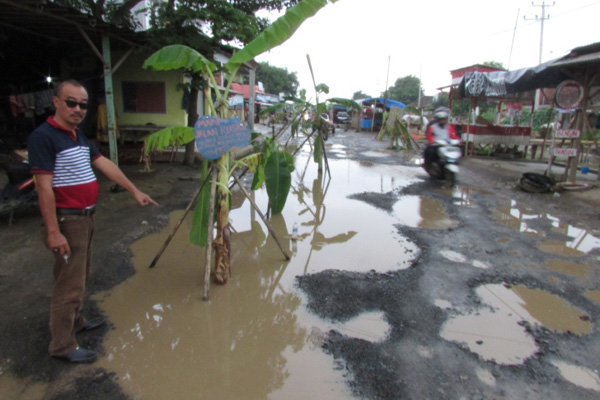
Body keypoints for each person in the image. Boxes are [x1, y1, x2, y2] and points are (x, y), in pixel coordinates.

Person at [27, 79, 158, 364]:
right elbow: (43, 188)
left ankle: (76, 321)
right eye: (71, 102)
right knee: (68, 283)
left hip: (85, 217)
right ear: (56, 102)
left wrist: (134, 190)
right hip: (67, 221)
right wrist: (53, 231)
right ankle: (62, 345)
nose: (78, 109)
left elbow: (104, 164)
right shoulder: (44, 137)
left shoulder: (77, 135)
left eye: (83, 105)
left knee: (80, 273)